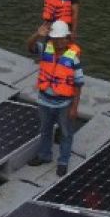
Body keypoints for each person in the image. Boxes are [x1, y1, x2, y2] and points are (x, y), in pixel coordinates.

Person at [26, 19, 84, 177]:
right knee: (45, 130)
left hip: (64, 104)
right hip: (44, 102)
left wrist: (74, 108)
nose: (59, 42)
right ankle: (44, 156)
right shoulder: (45, 49)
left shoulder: (73, 59)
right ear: (52, 38)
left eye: (62, 38)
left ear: (67, 38)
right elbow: (29, 46)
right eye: (56, 38)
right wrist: (37, 35)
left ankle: (63, 161)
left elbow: (78, 85)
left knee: (66, 133)